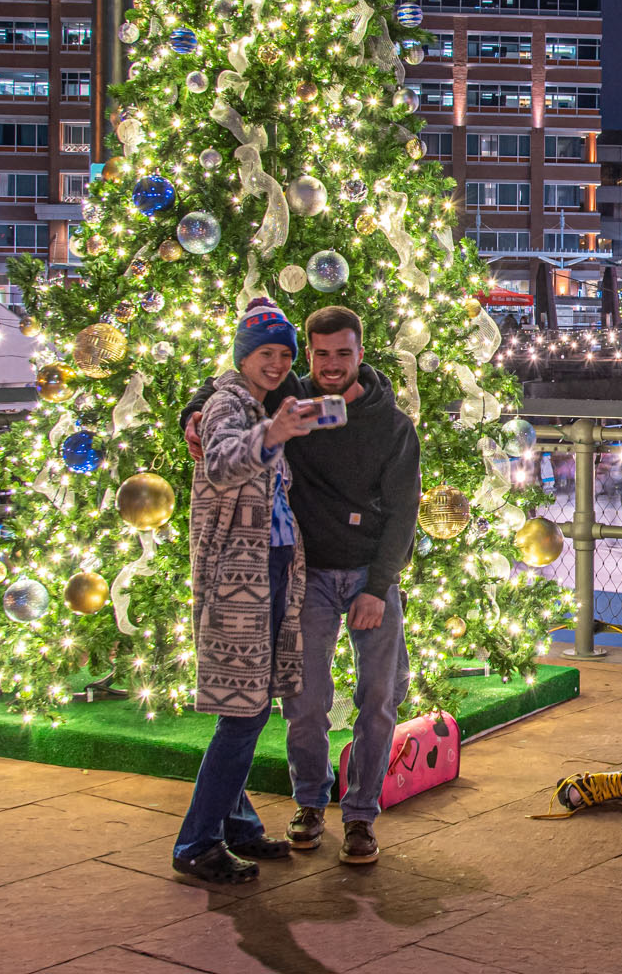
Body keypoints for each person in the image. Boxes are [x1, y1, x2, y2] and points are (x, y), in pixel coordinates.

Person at [183, 303, 419, 866]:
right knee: (305, 703)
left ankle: (361, 815)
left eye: (343, 353)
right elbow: (230, 385)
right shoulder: (292, 396)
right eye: (320, 354)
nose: (331, 365)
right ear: (308, 356)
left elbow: (406, 512)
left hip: (369, 576)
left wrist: (377, 586)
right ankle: (311, 803)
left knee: (379, 701)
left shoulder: (390, 424)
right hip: (305, 575)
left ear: (361, 354)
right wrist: (192, 413)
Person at [174, 299, 318, 885]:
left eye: (286, 354)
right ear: (243, 356)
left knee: (252, 705)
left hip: (268, 569)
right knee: (245, 711)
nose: (279, 363)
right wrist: (273, 432)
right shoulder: (229, 404)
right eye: (267, 353)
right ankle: (197, 842)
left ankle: (237, 825)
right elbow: (223, 461)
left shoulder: (253, 401)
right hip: (240, 577)